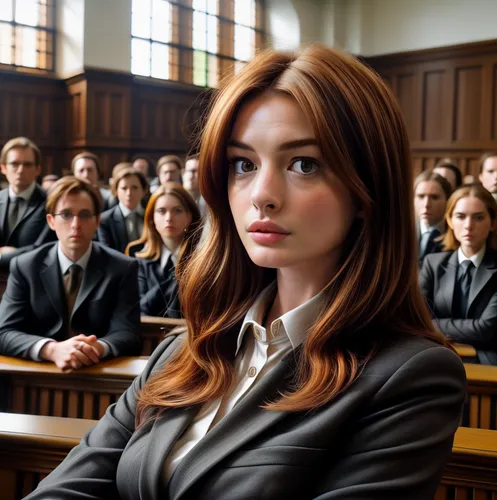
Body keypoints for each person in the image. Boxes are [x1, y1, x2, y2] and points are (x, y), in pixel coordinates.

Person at [26, 44, 465, 500]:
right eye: (244, 164)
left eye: (303, 164)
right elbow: (70, 487)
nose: (262, 194)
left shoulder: (411, 377)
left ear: (366, 189)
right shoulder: (184, 349)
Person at [0, 176, 142, 370]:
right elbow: (4, 332)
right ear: (51, 221)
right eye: (66, 215)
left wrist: (96, 347)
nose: (75, 225)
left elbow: (128, 333)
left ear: (97, 220)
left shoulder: (122, 267)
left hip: (98, 375)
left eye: (84, 215)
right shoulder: (25, 266)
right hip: (35, 377)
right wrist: (51, 349)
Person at [420, 184, 497, 365]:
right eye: (460, 216)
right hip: (436, 356)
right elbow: (418, 318)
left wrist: (434, 324)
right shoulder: (432, 263)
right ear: (449, 220)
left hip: (488, 362)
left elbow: (485, 329)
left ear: (493, 223)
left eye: (478, 217)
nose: (468, 225)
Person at [126, 183, 201, 317]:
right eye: (161, 211)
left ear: (189, 217)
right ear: (152, 218)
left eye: (177, 210)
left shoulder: (202, 258)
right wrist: (176, 276)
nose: (169, 218)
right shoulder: (138, 259)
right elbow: (139, 310)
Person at [0, 137, 57, 268]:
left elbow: (44, 249)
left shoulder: (51, 203)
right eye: (14, 164)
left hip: (33, 279)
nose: (20, 170)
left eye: (27, 164)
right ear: (3, 168)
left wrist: (3, 255)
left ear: (37, 169)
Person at [97, 168, 148, 253]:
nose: (129, 193)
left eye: (134, 188)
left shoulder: (152, 216)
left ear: (143, 191)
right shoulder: (105, 220)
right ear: (116, 191)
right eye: (124, 188)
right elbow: (107, 253)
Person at [414, 170, 452, 267]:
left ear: (447, 200)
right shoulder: (401, 233)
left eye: (434, 197)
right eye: (421, 196)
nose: (426, 204)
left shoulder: (457, 233)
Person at [182, 153, 207, 217]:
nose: (191, 175)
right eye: (188, 171)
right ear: (183, 173)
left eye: (195, 171)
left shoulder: (211, 204)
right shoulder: (173, 198)